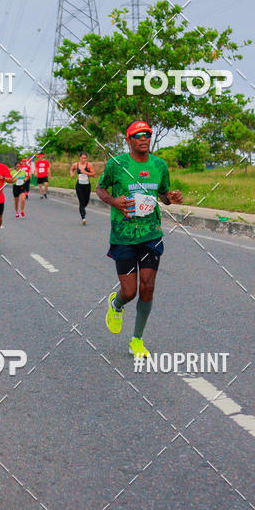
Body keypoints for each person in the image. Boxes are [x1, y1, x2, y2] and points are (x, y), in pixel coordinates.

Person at [96, 121, 183, 358]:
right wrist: (114, 201)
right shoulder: (117, 164)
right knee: (130, 291)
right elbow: (101, 189)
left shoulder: (159, 165)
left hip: (151, 234)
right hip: (123, 236)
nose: (143, 138)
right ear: (129, 140)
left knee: (148, 286)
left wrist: (171, 197)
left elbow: (163, 196)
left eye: (147, 134)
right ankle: (116, 304)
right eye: (138, 135)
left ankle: (137, 340)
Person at [69, 152, 96, 225]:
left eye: (85, 158)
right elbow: (71, 169)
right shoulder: (76, 165)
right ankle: (83, 217)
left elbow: (93, 175)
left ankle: (83, 209)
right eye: (82, 158)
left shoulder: (89, 165)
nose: (83, 159)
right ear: (79, 158)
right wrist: (71, 173)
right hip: (79, 185)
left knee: (86, 201)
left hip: (87, 185)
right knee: (81, 201)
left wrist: (86, 172)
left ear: (86, 158)